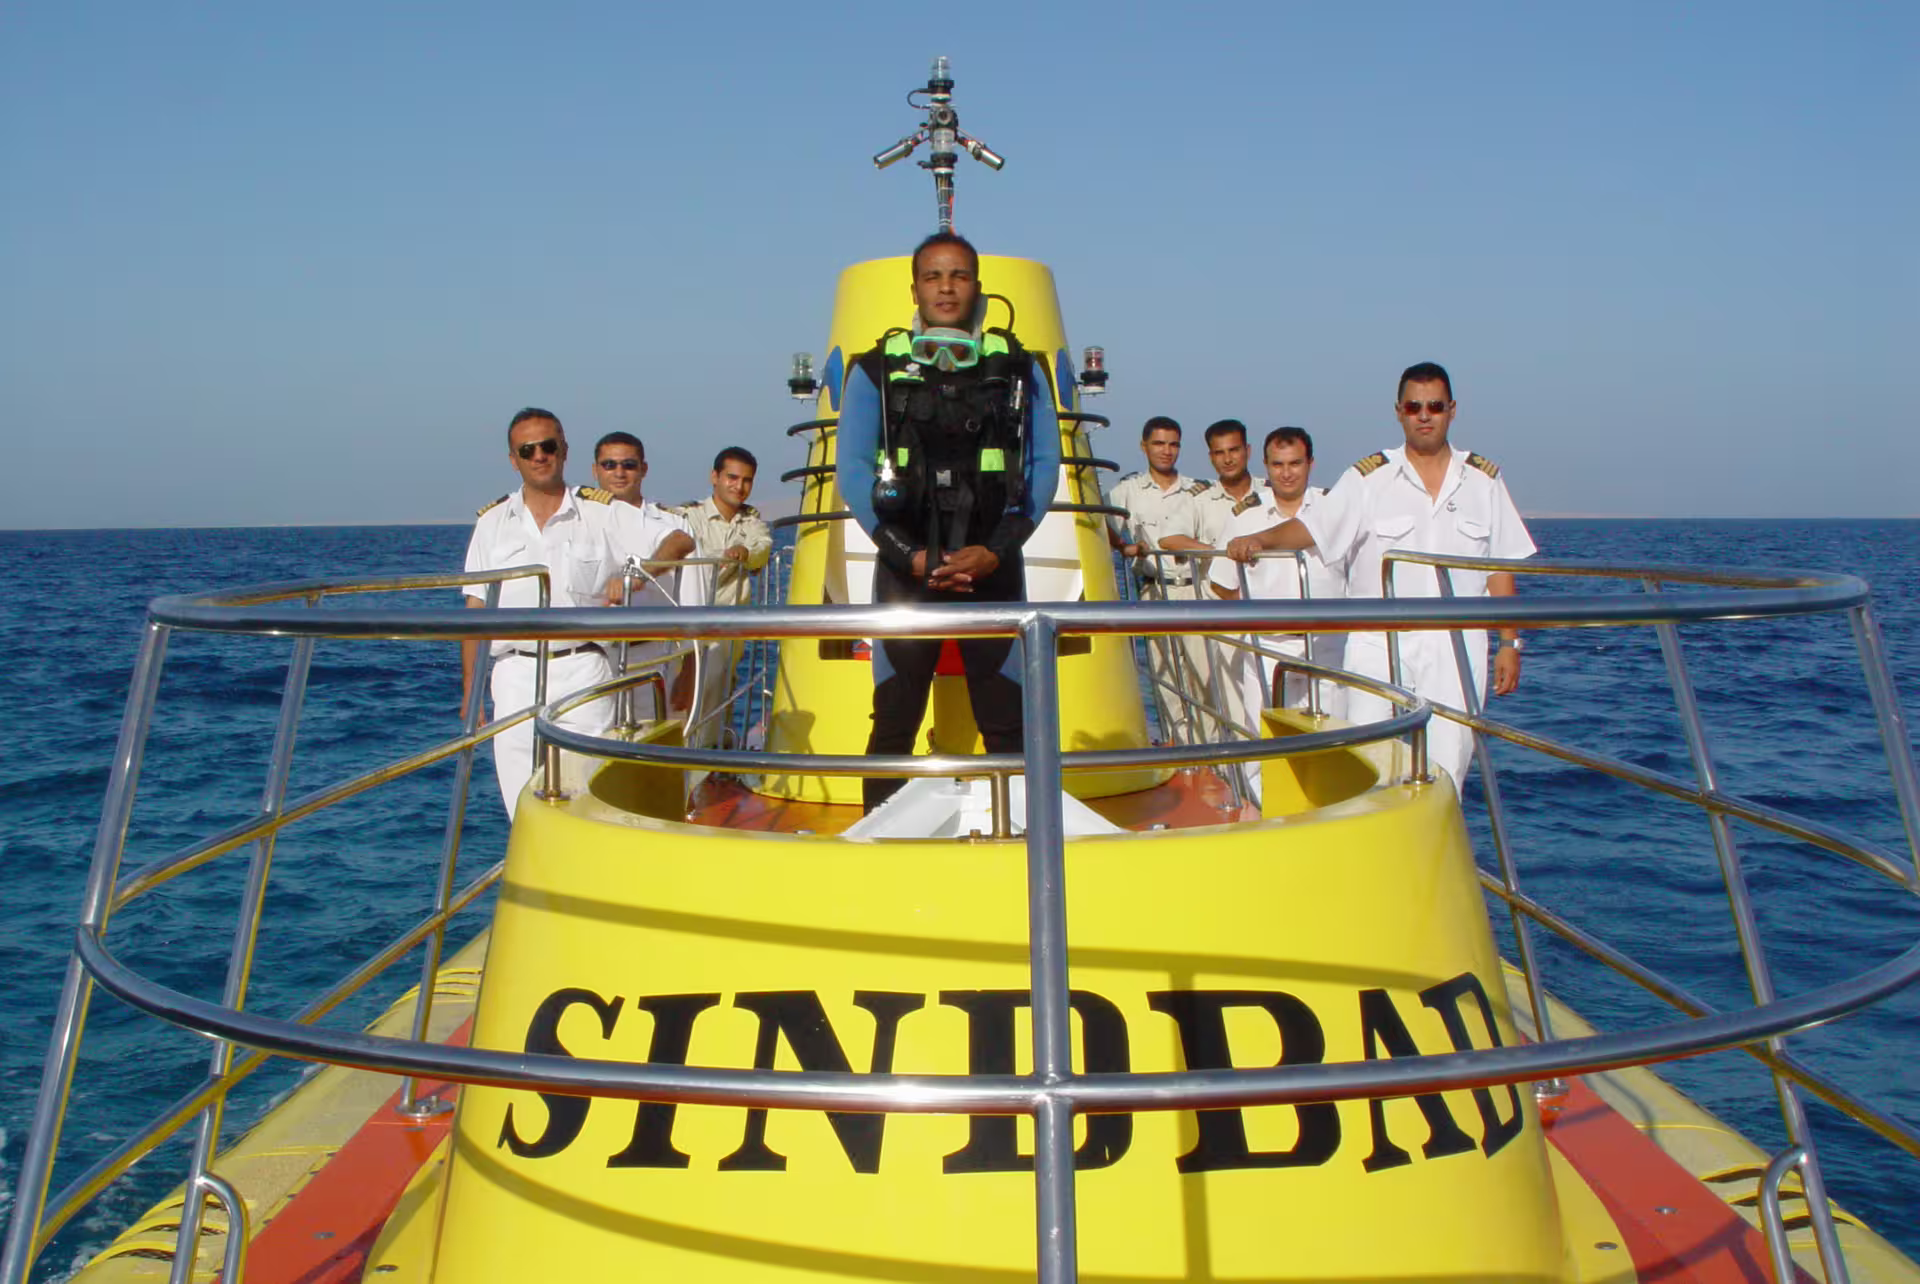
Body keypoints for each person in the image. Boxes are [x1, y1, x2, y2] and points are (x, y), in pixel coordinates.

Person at [836, 230, 1062, 810]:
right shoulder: (872, 372)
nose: (945, 287)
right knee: (892, 726)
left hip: (993, 569)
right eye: (934, 276)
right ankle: (881, 848)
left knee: (1008, 725)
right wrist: (904, 554)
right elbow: (854, 473)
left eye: (958, 275)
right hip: (904, 572)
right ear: (914, 287)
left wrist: (996, 550)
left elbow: (1042, 468)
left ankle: (1022, 844)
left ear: (977, 286)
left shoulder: (1019, 369)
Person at [1225, 363, 1534, 788]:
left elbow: (1499, 567)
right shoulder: (1369, 478)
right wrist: (1262, 538)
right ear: (1398, 411)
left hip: (1455, 646)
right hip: (1377, 642)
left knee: (1446, 770)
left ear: (1452, 410)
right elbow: (1314, 528)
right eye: (1413, 406)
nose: (1424, 415)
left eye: (1434, 406)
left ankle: (1426, 851)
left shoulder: (1484, 481)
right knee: (1369, 764)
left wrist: (1509, 643)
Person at [461, 409, 690, 818]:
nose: (539, 456)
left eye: (548, 446)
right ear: (514, 460)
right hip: (514, 675)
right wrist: (470, 690)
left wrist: (641, 571)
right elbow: (475, 608)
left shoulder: (602, 512)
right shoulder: (492, 524)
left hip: (583, 669)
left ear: (564, 450)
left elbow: (678, 539)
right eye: (527, 450)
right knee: (520, 805)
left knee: (585, 798)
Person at [1207, 427, 1347, 725]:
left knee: (1330, 741)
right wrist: (1251, 614)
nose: (1286, 473)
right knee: (1261, 744)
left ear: (1311, 463)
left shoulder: (1334, 509)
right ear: (1266, 466)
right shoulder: (1244, 516)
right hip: (1269, 645)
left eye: (1295, 463)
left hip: (1326, 644)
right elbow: (1219, 581)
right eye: (1277, 465)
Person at [590, 431, 698, 717]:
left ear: (643, 469)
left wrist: (690, 674)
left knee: (653, 750)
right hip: (592, 659)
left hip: (651, 658)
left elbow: (693, 606)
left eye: (628, 464)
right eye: (609, 465)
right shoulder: (579, 522)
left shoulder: (673, 524)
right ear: (595, 470)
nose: (619, 473)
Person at [673, 447, 773, 746]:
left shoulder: (751, 524)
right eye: (732, 477)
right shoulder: (687, 517)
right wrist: (724, 557)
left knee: (716, 705)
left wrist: (745, 554)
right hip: (687, 630)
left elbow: (762, 549)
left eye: (746, 480)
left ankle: (706, 770)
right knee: (682, 705)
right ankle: (685, 771)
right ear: (714, 477)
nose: (738, 486)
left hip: (726, 634)